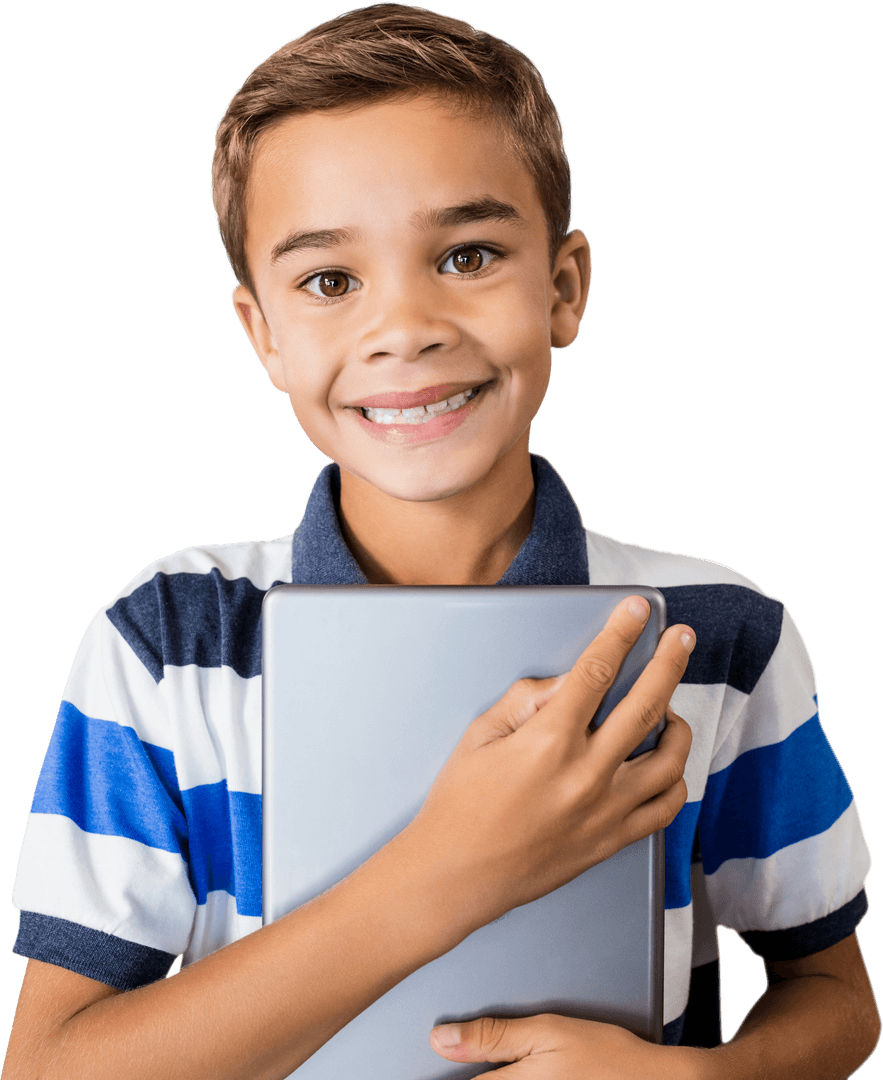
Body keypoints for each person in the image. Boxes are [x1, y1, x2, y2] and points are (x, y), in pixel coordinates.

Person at [3, 4, 877, 1077]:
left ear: (562, 288)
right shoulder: (165, 642)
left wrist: (697, 1079)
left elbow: (833, 996)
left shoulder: (720, 635)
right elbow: (47, 1069)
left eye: (466, 255)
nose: (405, 326)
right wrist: (446, 875)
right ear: (262, 333)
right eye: (330, 281)